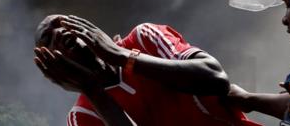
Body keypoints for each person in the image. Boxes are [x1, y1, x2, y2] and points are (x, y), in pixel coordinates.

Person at [34, 14, 261, 125]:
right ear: (51, 65)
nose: (60, 32)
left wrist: (121, 56)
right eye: (49, 38)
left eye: (64, 23)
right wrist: (92, 91)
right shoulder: (83, 117)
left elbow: (215, 78)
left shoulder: (143, 39)